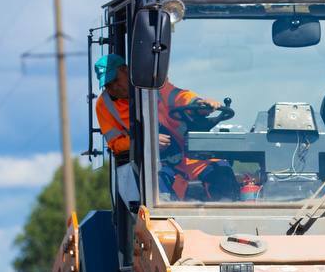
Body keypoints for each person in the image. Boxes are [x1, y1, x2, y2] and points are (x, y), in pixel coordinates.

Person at [93, 54, 235, 200]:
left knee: (222, 171)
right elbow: (115, 144)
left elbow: (180, 97)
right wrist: (147, 141)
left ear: (125, 70)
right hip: (155, 164)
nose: (114, 88)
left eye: (116, 80)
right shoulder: (105, 105)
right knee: (158, 193)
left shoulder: (153, 86)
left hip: (189, 157)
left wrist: (201, 104)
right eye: (108, 85)